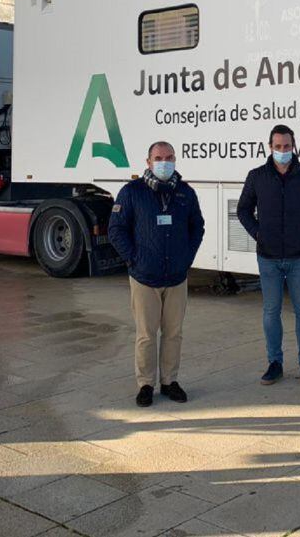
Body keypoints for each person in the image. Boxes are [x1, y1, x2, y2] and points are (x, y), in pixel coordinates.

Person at [108, 141, 205, 407]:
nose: (165, 162)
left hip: (176, 277)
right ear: (148, 162)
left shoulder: (185, 192)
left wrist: (186, 258)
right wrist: (133, 259)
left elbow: (197, 227)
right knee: (146, 334)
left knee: (174, 333)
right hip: (144, 277)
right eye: (159, 158)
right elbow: (116, 230)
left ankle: (170, 381)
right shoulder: (132, 192)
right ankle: (146, 384)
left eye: (169, 157)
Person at [237, 124, 300, 387]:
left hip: (299, 257)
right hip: (268, 257)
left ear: (293, 146)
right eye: (277, 146)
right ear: (270, 147)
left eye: (287, 146)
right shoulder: (257, 176)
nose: (282, 150)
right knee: (271, 312)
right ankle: (274, 363)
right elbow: (243, 210)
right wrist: (258, 233)